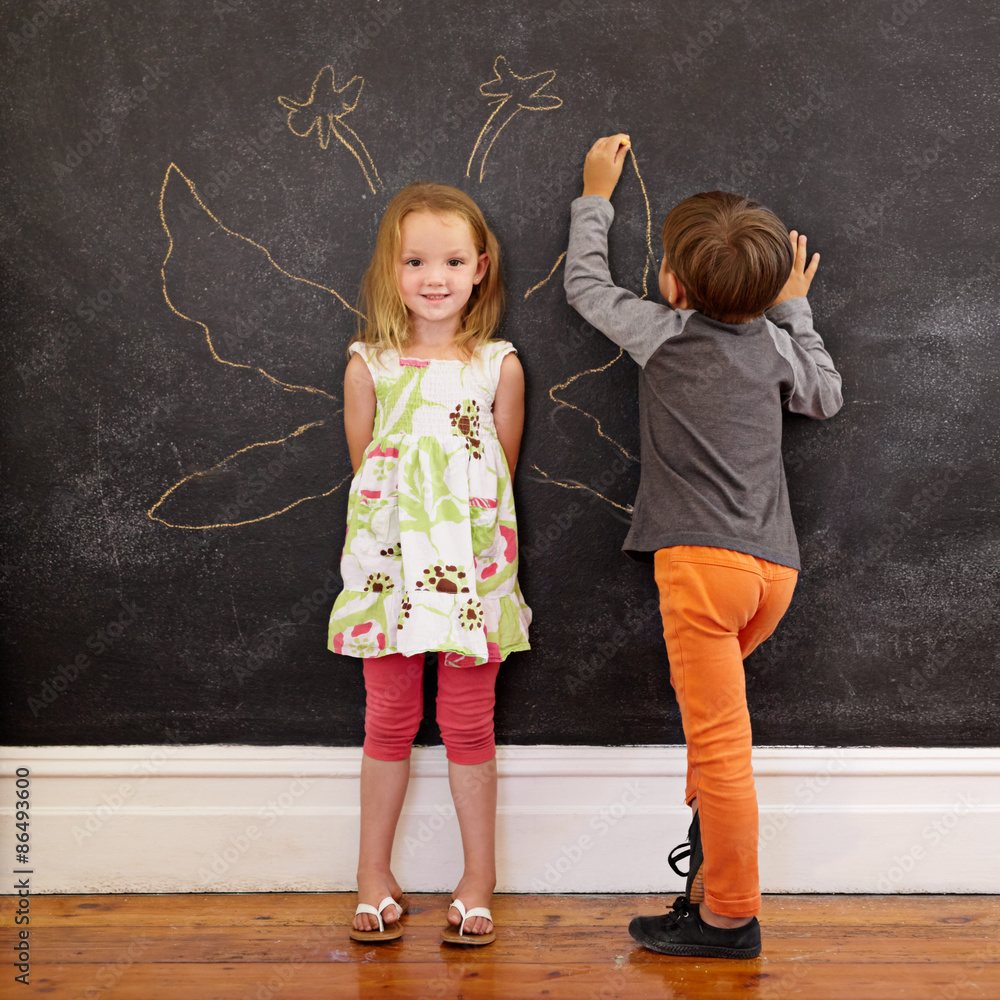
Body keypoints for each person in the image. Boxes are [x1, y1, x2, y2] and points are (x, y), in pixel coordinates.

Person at [564, 135, 842, 959]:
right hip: (774, 571)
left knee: (722, 748)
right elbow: (824, 395)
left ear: (674, 284)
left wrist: (595, 194)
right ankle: (706, 889)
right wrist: (794, 308)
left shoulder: (663, 332)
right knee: (709, 734)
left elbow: (584, 285)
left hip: (700, 568)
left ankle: (729, 919)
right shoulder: (776, 344)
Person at [329, 182, 531, 946]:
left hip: (473, 580)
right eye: (415, 261)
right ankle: (370, 876)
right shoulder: (369, 366)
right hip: (387, 575)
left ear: (479, 267)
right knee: (388, 719)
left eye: (451, 260)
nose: (433, 277)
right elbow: (366, 473)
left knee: (468, 724)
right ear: (393, 268)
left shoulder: (498, 367)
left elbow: (497, 480)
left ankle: (477, 878)